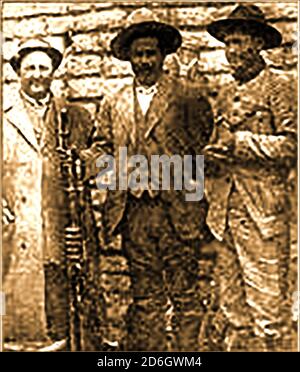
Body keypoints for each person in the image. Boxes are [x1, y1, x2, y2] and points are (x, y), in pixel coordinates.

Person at [82, 8, 214, 351]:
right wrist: (110, 171)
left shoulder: (187, 96)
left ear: (163, 55)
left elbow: (203, 150)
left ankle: (187, 354)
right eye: (137, 54)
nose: (144, 61)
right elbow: (100, 149)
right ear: (128, 58)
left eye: (150, 53)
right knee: (145, 294)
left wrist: (171, 177)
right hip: (134, 213)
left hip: (177, 212)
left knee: (185, 293)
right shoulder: (114, 102)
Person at [204, 4, 297, 351]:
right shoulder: (226, 93)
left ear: (258, 43)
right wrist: (212, 155)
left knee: (268, 311)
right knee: (233, 310)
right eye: (227, 43)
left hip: (264, 215)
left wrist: (240, 143)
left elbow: (292, 146)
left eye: (239, 42)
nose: (232, 51)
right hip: (225, 215)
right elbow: (221, 147)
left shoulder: (282, 85)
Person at [2, 38, 98, 351]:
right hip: (16, 227)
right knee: (18, 311)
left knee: (61, 299)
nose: (37, 74)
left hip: (60, 224)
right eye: (30, 67)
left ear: (53, 72)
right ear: (18, 72)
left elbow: (99, 160)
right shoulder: (4, 117)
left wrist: (86, 163)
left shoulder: (74, 117)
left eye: (44, 67)